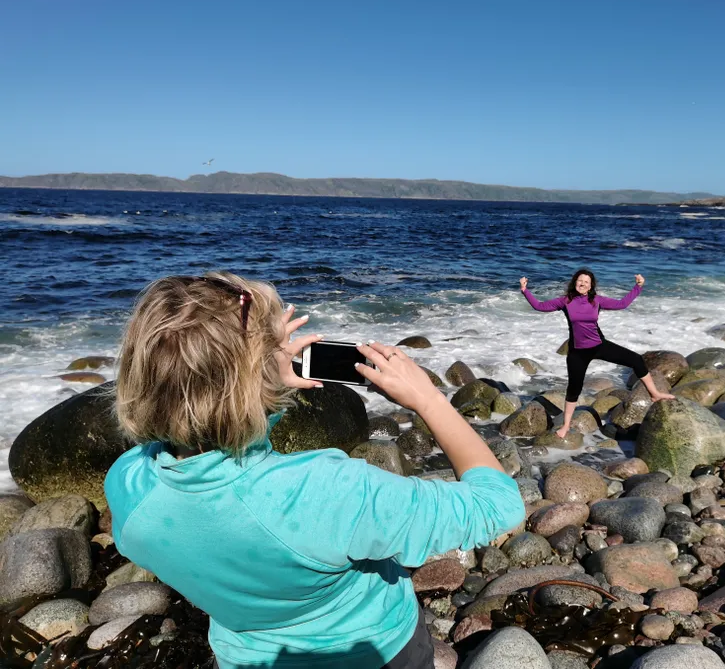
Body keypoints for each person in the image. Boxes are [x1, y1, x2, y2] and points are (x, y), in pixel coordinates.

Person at [105, 272, 525, 669]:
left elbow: (207, 454)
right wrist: (428, 400)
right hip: (376, 652)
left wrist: (261, 384)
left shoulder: (128, 486)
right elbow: (497, 504)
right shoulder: (329, 490)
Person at [519, 269, 674, 438]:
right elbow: (539, 306)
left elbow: (622, 304)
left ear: (591, 286)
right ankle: (566, 426)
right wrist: (525, 291)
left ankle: (654, 394)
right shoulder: (565, 301)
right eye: (580, 280)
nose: (582, 283)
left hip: (599, 346)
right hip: (578, 352)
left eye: (586, 282)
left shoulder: (596, 300)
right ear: (574, 282)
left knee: (636, 359)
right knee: (574, 388)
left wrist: (638, 287)